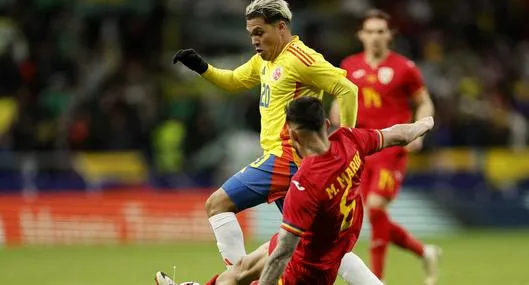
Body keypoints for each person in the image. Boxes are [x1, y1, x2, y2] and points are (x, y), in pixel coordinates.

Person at [156, 96, 435, 285]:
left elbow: (283, 253)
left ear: (292, 135)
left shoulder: (304, 183)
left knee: (249, 273)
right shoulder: (349, 139)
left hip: (307, 271)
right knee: (238, 271)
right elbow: (395, 134)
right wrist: (423, 124)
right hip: (328, 242)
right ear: (326, 125)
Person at [172, 0, 358, 269]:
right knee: (320, 242)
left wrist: (345, 141)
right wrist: (202, 67)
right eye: (251, 34)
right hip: (289, 161)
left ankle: (237, 277)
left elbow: (347, 89)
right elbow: (235, 80)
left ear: (281, 27)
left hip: (288, 158)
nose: (254, 40)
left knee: (217, 204)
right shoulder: (265, 61)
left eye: (259, 32)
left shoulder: (301, 58)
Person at [330, 9, 440, 284]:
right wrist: (335, 120)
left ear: (389, 35)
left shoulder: (405, 68)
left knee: (376, 208)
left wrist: (420, 131)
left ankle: (377, 279)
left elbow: (424, 101)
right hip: (363, 147)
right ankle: (424, 251)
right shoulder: (349, 64)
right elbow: (339, 101)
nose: (376, 37)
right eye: (370, 31)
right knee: (373, 214)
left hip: (392, 147)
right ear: (361, 35)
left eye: (381, 31)